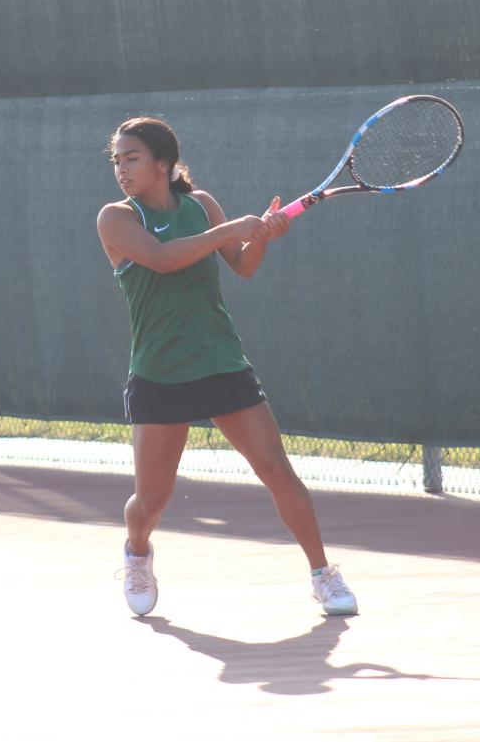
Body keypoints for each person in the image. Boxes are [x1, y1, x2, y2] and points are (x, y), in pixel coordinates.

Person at [96, 116, 357, 618]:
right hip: (159, 373)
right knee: (150, 502)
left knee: (278, 472)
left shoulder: (202, 206)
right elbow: (163, 259)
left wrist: (261, 234)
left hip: (221, 363)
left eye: (131, 159)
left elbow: (243, 264)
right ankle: (137, 552)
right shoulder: (116, 218)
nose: (121, 169)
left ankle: (323, 574)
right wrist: (232, 228)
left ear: (163, 164)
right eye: (117, 160)